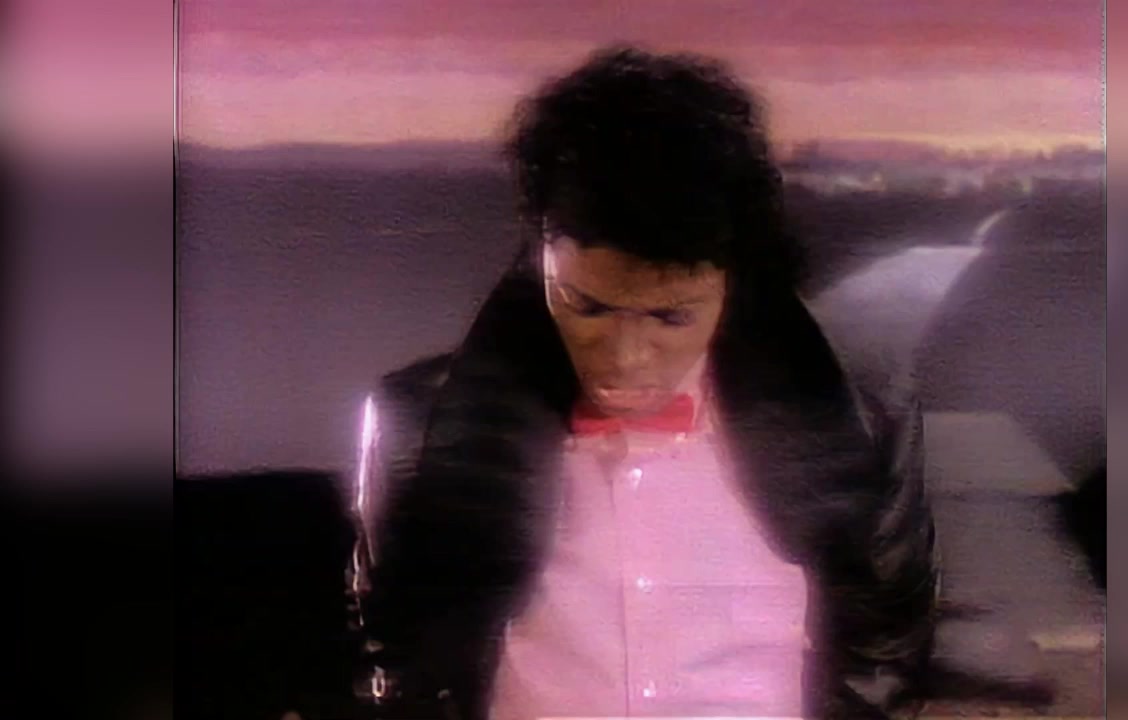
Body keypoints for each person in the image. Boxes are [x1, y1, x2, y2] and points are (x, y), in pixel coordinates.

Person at [349, 45, 938, 720]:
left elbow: (886, 651)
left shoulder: (863, 416)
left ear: (733, 283)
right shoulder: (418, 424)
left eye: (670, 316)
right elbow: (396, 657)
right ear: (540, 259)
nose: (626, 358)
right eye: (587, 307)